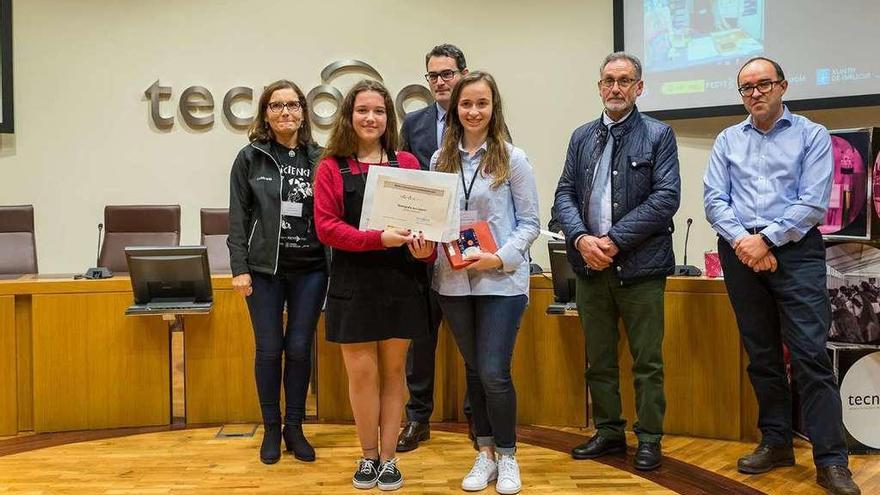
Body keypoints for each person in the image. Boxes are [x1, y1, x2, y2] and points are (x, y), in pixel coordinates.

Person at [703, 56, 860, 495]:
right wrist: (746, 244)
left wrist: (766, 242)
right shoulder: (728, 139)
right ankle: (776, 442)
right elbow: (715, 200)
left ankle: (831, 460)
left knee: (810, 357)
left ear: (783, 86)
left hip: (796, 252)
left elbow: (812, 203)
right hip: (739, 252)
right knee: (763, 356)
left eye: (763, 84)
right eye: (746, 87)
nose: (755, 93)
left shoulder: (811, 135)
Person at [553, 52, 680, 471]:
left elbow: (665, 199)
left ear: (639, 88)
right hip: (590, 268)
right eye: (609, 80)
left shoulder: (659, 135)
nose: (615, 88)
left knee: (647, 362)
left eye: (625, 81)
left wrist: (613, 241)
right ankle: (608, 432)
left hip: (641, 269)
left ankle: (648, 438)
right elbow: (564, 194)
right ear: (599, 86)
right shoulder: (581, 137)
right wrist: (581, 238)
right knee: (600, 359)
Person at [313, 79, 435, 492]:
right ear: (349, 116)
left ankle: (389, 458)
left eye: (379, 111)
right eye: (363, 110)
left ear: (389, 118)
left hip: (401, 281)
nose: (371, 118)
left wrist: (423, 250)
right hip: (354, 283)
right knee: (362, 375)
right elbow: (327, 228)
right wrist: (376, 239)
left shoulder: (407, 165)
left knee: (395, 372)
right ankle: (367, 456)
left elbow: (427, 229)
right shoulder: (332, 166)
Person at [431, 71, 539, 494]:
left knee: (494, 371)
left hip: (501, 281)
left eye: (482, 104)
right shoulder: (441, 162)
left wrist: (497, 257)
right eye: (466, 104)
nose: (473, 111)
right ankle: (485, 453)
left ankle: (509, 456)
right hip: (454, 282)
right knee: (474, 371)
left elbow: (530, 223)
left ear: (494, 109)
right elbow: (434, 219)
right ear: (455, 109)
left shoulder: (513, 158)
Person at [227, 80, 326, 465]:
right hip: (264, 270)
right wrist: (239, 268)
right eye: (276, 105)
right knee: (270, 349)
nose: (285, 112)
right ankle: (270, 427)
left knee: (300, 348)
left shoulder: (320, 157)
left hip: (312, 269)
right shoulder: (250, 157)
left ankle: (295, 428)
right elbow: (238, 218)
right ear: (266, 114)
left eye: (292, 104)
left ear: (303, 111)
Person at [397, 42, 472, 453]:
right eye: (433, 75)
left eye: (447, 74)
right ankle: (417, 418)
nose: (440, 82)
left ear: (462, 73)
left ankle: (477, 419)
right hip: (424, 250)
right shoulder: (415, 122)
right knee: (420, 341)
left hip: (467, 246)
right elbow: (407, 179)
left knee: (471, 340)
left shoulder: (480, 115)